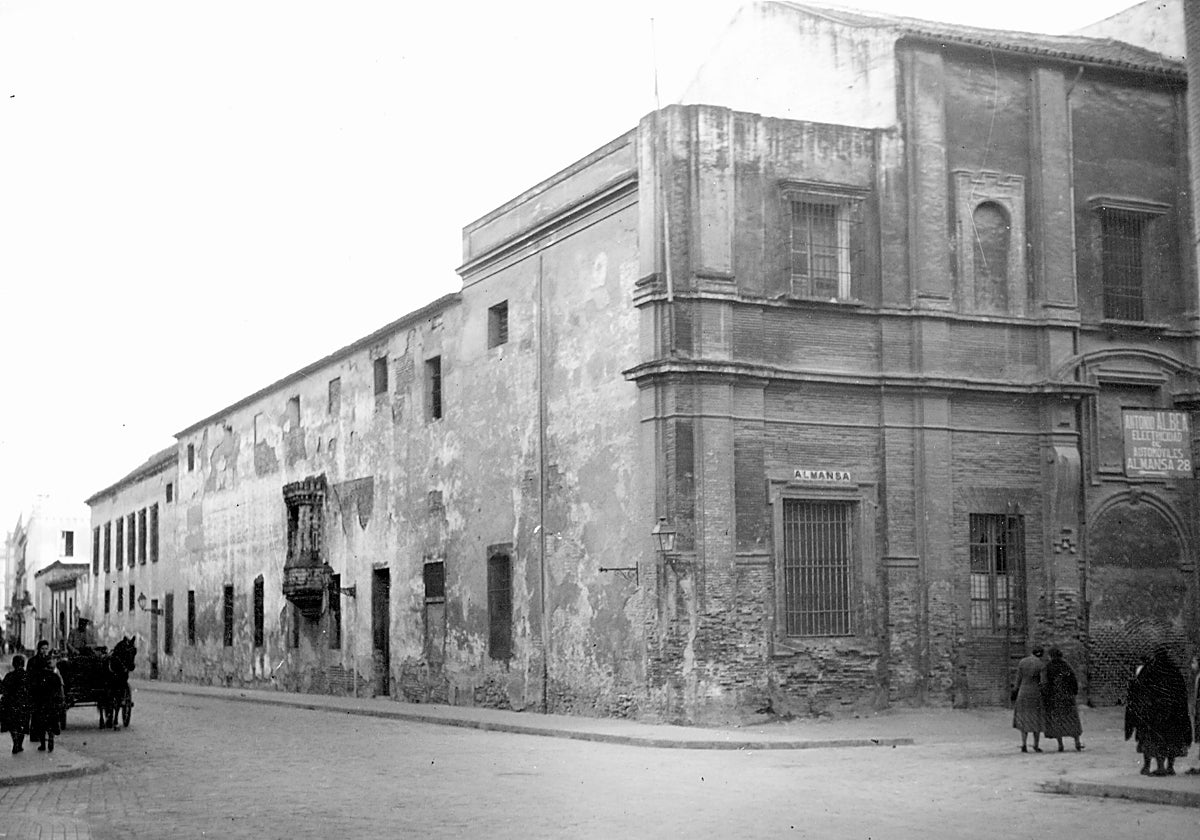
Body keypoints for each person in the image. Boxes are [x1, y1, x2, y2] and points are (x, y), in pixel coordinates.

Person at [1125, 646, 1194, 776]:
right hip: (1173, 715)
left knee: (1151, 740)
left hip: (1152, 715)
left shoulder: (1149, 670)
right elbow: (1181, 694)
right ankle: (1170, 767)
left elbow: (1139, 691)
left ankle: (1153, 767)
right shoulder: (1174, 671)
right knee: (1171, 740)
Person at [1042, 647, 1084, 752]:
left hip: (1055, 697)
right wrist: (1074, 692)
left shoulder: (1049, 667)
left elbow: (1046, 683)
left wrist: (1046, 697)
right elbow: (1073, 680)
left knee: (1058, 721)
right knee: (1071, 719)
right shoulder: (1066, 666)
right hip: (1067, 697)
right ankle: (1077, 742)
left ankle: (1060, 745)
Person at [27, 647, 64, 753]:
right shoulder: (55, 676)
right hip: (52, 704)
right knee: (51, 723)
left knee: (41, 724)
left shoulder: (38, 677)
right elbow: (59, 689)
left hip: (41, 703)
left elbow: (33, 690)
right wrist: (60, 701)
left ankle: (43, 744)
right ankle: (51, 738)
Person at [1013, 645, 1047, 753]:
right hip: (1035, 693)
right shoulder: (1041, 665)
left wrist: (1015, 690)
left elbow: (1018, 680)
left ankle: (1024, 744)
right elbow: (1043, 682)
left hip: (1023, 692)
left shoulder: (1022, 662)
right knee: (1036, 719)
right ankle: (1036, 745)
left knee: (1024, 719)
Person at [0, 654, 32, 754]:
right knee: (22, 724)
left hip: (11, 704)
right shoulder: (27, 676)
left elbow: (3, 689)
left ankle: (15, 742)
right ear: (23, 664)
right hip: (23, 704)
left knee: (13, 725)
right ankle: (20, 744)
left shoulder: (9, 676)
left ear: (13, 664)